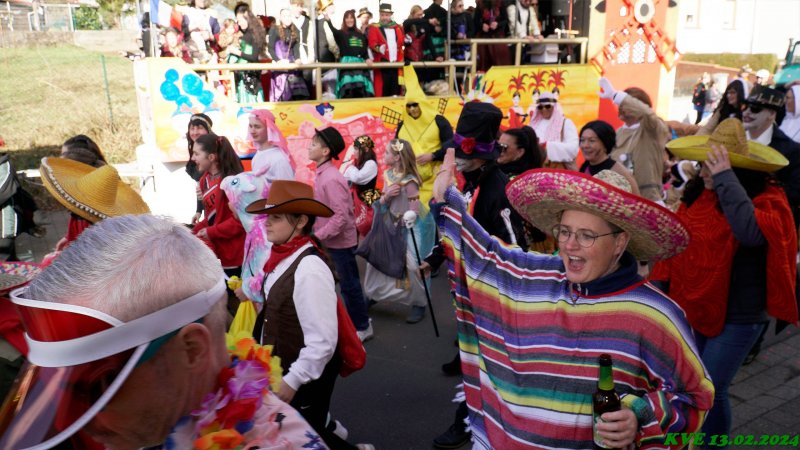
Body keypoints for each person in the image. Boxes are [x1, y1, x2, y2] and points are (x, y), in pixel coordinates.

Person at [429, 150, 714, 448]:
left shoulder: (655, 314)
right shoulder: (537, 277)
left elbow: (695, 397)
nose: (569, 246)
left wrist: (639, 417)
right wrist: (447, 199)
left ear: (620, 243)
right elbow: (487, 258)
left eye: (586, 235)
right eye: (565, 232)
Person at [0, 214, 324, 450]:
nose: (72, 419)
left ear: (192, 349)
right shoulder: (157, 418)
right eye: (60, 387)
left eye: (100, 384)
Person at [655, 118, 798, 447]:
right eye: (703, 164)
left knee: (712, 389)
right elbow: (679, 245)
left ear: (735, 170)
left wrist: (724, 178)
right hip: (695, 306)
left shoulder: (768, 199)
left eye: (713, 165)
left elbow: (749, 232)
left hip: (740, 315)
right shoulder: (699, 194)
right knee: (696, 386)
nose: (704, 171)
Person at [245, 181, 374, 450]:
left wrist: (293, 380)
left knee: (304, 434)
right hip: (285, 366)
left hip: (304, 374)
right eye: (268, 216)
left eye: (276, 217)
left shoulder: (309, 268)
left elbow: (323, 341)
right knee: (300, 432)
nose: (267, 223)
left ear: (301, 221)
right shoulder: (283, 256)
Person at [308, 126, 373, 341]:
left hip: (339, 243)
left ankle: (362, 326)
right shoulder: (323, 174)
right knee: (340, 285)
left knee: (349, 286)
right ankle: (355, 321)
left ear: (325, 151)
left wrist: (318, 236)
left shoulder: (331, 178)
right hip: (330, 240)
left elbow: (341, 217)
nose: (309, 147)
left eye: (314, 144)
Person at [363, 139, 435, 324]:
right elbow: (382, 202)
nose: (384, 155)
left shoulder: (409, 181)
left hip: (408, 227)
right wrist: (386, 197)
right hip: (390, 224)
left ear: (397, 157)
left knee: (411, 266)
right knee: (376, 261)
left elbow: (415, 208)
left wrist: (408, 216)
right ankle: (373, 294)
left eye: (387, 152)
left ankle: (419, 302)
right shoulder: (388, 175)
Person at [39, 156, 150, 262]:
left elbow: (84, 258)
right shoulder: (79, 216)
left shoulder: (97, 229)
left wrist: (54, 259)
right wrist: (67, 238)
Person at [601, 77, 670, 204]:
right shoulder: (618, 132)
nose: (621, 107)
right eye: (621, 104)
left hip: (647, 199)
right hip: (619, 199)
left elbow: (648, 114)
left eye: (627, 104)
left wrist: (617, 96)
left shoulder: (651, 129)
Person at [191, 133, 246, 287]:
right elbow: (212, 218)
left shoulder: (233, 182)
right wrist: (192, 231)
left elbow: (240, 222)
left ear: (211, 157)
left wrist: (211, 232)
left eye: (196, 154)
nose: (193, 158)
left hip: (235, 253)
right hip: (219, 251)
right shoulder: (204, 180)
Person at [741, 86, 800, 226]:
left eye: (755, 108)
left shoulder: (792, 151)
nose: (746, 112)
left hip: (766, 225)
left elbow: (793, 195)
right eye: (745, 106)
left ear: (772, 114)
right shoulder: (731, 138)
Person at [396, 66, 453, 206]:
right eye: (409, 106)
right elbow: (395, 149)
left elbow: (451, 145)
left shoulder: (439, 121)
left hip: (437, 184)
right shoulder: (402, 125)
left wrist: (433, 156)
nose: (412, 109)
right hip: (410, 186)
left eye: (415, 105)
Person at [577, 120, 639, 196]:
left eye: (592, 141)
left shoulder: (620, 172)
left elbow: (636, 200)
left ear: (605, 143)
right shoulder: (584, 169)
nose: (585, 145)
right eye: (582, 140)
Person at [527, 91, 580, 168]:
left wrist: (548, 147)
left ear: (554, 106)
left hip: (557, 169)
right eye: (540, 107)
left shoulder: (565, 123)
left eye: (547, 106)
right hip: (535, 168)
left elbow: (573, 149)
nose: (544, 109)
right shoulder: (532, 125)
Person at [267, 9, 309, 101]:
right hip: (280, 67)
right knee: (284, 94)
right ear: (280, 18)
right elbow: (270, 48)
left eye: (289, 16)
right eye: (284, 16)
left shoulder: (295, 29)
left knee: (298, 94)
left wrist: (298, 58)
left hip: (292, 65)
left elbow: (296, 46)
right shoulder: (274, 29)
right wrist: (278, 60)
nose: (287, 18)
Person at [343, 135, 381, 236]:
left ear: (366, 149)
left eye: (356, 149)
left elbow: (358, 178)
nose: (354, 152)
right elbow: (345, 178)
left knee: (367, 234)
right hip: (356, 204)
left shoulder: (371, 164)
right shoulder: (357, 164)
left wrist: (350, 168)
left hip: (366, 204)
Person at [229, 2, 266, 103]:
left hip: (251, 77)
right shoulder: (245, 34)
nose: (239, 23)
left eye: (240, 20)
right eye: (238, 21)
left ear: (247, 18)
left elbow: (254, 57)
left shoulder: (253, 34)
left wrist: (237, 52)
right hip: (243, 75)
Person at [334, 9, 374, 99]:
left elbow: (364, 50)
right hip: (347, 64)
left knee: (361, 90)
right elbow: (334, 31)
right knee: (347, 90)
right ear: (344, 20)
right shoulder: (341, 33)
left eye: (351, 18)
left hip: (360, 64)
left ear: (354, 19)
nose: (349, 20)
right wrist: (327, 20)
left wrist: (367, 58)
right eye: (347, 18)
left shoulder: (360, 34)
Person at [367, 3, 404, 97]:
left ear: (390, 15)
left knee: (396, 91)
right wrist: (379, 48)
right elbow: (372, 43)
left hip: (396, 64)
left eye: (386, 15)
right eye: (382, 15)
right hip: (382, 64)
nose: (384, 17)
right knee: (383, 91)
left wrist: (407, 41)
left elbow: (401, 43)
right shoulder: (375, 27)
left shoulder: (398, 28)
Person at [248, 109, 295, 180]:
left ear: (269, 129)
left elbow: (286, 186)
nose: (252, 131)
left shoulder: (279, 159)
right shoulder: (258, 154)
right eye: (250, 126)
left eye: (257, 127)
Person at [183, 113, 212, 225]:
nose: (195, 132)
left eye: (199, 128)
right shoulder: (194, 151)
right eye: (192, 128)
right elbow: (200, 184)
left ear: (208, 129)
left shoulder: (217, 149)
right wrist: (199, 211)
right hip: (209, 205)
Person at [473, 0, 510, 72]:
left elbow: (505, 20)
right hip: (484, 37)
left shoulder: (501, 3)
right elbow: (475, 21)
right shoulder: (480, 3)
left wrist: (497, 24)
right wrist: (482, 25)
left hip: (498, 37)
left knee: (500, 60)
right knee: (483, 61)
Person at [316, 0, 340, 99]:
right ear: (326, 8)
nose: (333, 6)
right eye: (331, 5)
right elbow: (332, 43)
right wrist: (338, 55)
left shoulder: (315, 22)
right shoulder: (326, 22)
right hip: (329, 60)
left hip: (320, 60)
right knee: (331, 91)